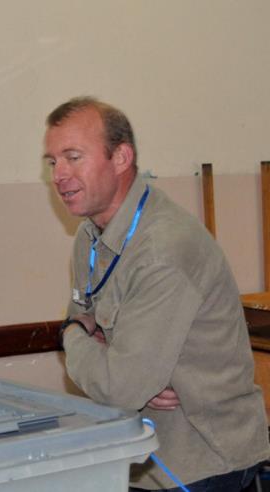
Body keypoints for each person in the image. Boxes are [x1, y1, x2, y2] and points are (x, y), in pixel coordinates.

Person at [44, 96, 269, 491]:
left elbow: (119, 385)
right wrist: (119, 368)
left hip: (202, 467)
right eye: (52, 162)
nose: (59, 175)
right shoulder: (89, 237)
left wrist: (71, 335)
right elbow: (118, 375)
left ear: (121, 157)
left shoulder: (164, 249)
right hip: (138, 459)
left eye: (73, 157)